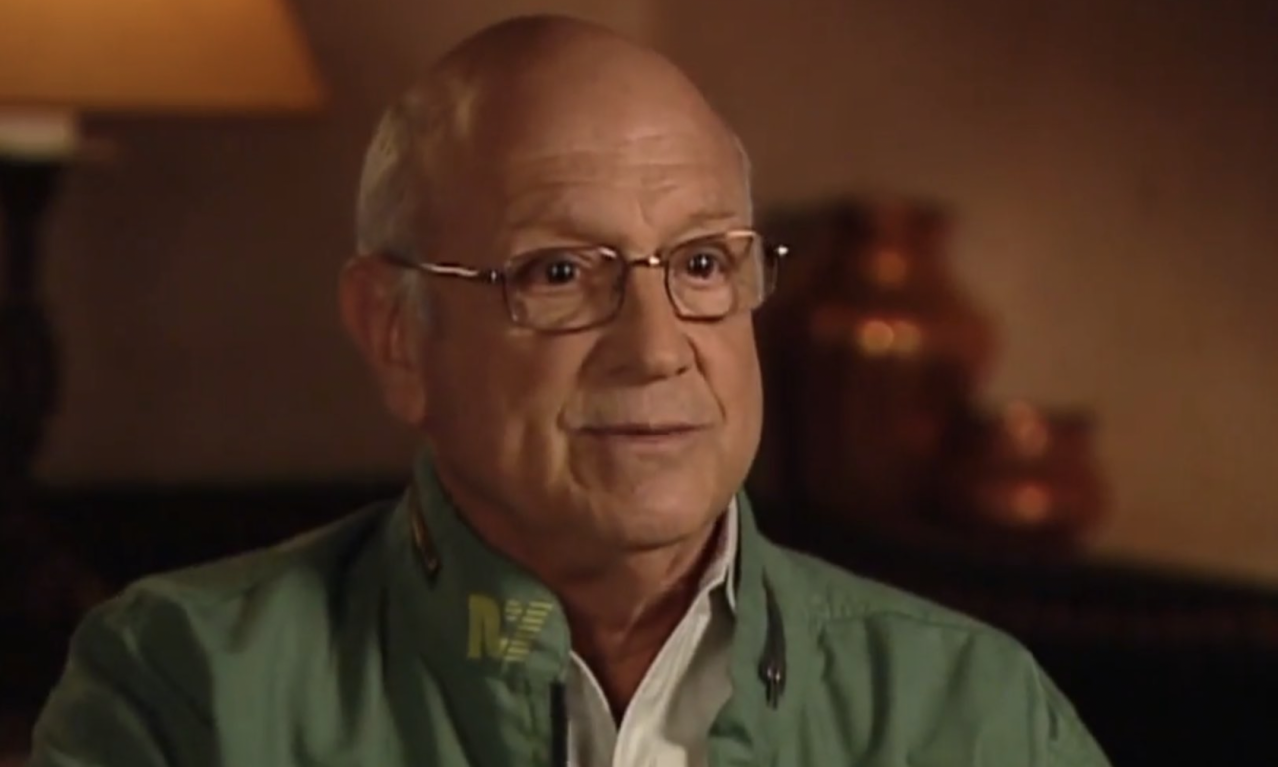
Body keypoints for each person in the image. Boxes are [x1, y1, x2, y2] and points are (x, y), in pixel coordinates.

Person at [30, 15, 1110, 767]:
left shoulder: (966, 710)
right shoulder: (193, 689)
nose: (656, 349)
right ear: (397, 333)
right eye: (557, 273)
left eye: (701, 263)